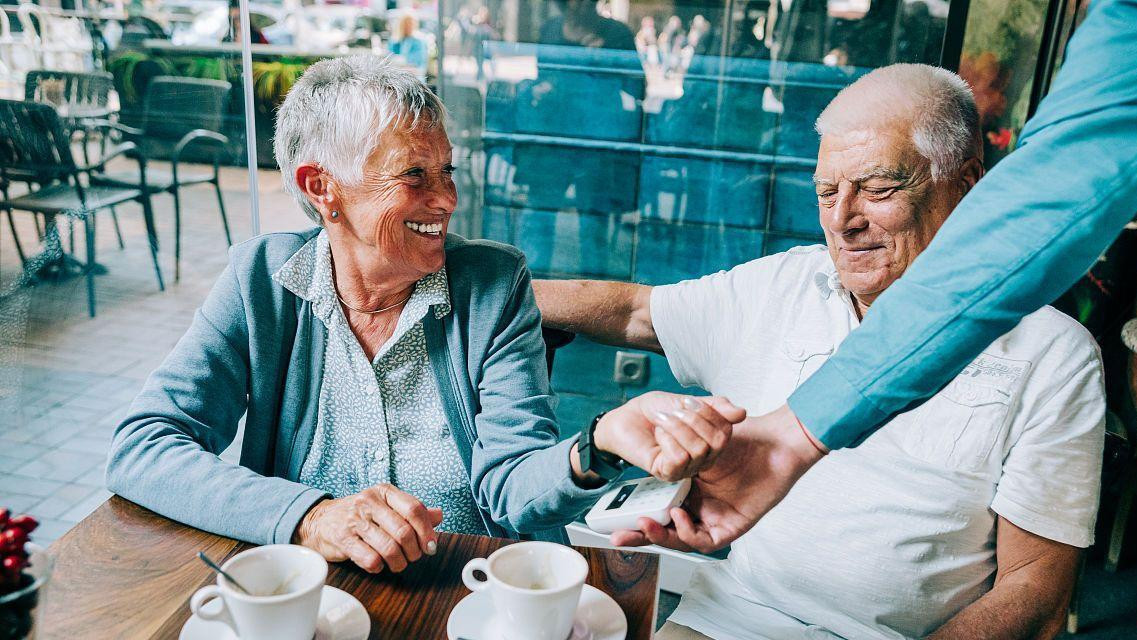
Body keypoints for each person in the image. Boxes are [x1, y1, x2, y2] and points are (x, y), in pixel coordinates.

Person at [105, 55, 745, 575]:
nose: (446, 200)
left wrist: (594, 444)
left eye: (447, 170)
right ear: (322, 188)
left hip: (480, 584)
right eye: (413, 176)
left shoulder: (494, 284)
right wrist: (310, 516)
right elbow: (143, 447)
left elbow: (511, 488)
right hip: (316, 588)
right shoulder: (260, 282)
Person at [535, 64, 1105, 640]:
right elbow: (632, 311)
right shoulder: (786, 284)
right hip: (733, 617)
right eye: (827, 192)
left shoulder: (1053, 353)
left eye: (878, 189)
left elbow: (1035, 593)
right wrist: (471, 283)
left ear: (966, 185)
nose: (841, 221)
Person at [388, 14, 428, 78]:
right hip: (398, 77)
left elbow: (416, 64)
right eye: (406, 24)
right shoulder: (395, 40)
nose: (408, 26)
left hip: (415, 78)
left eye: (411, 23)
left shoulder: (418, 41)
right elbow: (389, 59)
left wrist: (400, 64)